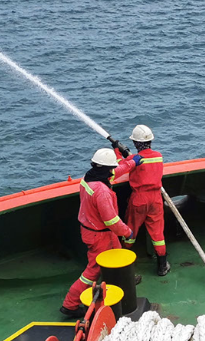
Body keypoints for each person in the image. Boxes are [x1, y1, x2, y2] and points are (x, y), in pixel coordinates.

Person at [60, 148, 140, 318]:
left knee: (118, 255)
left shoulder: (89, 177)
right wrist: (128, 232)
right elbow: (111, 220)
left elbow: (114, 172)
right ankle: (70, 304)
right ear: (105, 169)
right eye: (111, 168)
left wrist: (132, 163)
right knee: (93, 271)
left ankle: (124, 282)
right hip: (100, 234)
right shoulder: (102, 191)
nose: (112, 171)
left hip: (95, 230)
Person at [112, 125, 170, 276]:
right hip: (156, 199)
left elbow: (119, 169)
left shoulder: (133, 159)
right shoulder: (159, 156)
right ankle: (162, 266)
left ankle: (125, 263)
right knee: (158, 234)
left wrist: (118, 152)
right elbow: (143, 163)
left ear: (136, 143)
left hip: (139, 198)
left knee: (130, 231)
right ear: (150, 140)